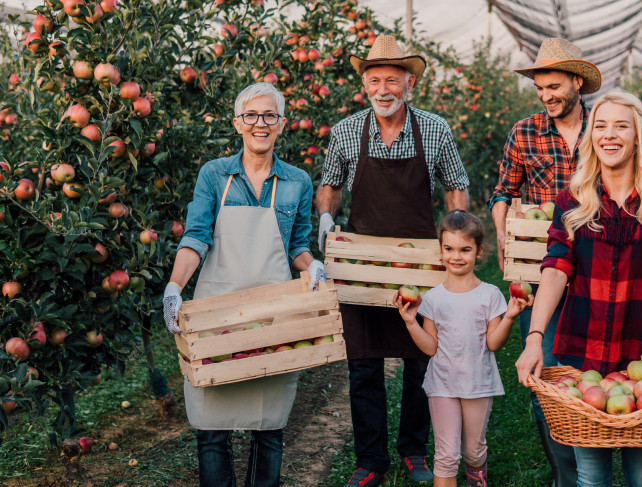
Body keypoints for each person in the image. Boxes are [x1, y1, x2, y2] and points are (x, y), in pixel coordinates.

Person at [515, 90, 642, 487]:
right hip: (584, 355)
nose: (609, 134)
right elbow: (555, 269)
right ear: (590, 137)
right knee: (592, 477)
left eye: (621, 125)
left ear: (637, 137)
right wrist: (534, 338)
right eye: (600, 125)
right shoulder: (574, 201)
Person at [316, 35, 470, 487]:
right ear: (365, 85)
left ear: (409, 84)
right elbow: (331, 183)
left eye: (392, 80)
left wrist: (455, 230)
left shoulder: (435, 129)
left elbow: (455, 183)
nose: (383, 89)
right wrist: (327, 219)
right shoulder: (346, 131)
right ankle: (370, 461)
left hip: (418, 264)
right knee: (363, 363)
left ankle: (413, 450)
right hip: (361, 265)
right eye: (374, 80)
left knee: (421, 361)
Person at [161, 82, 325, 487]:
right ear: (238, 123)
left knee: (268, 425)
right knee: (212, 425)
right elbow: (196, 237)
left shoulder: (297, 182)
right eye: (251, 115)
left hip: (272, 315)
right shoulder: (215, 175)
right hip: (218, 312)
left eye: (269, 115)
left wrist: (313, 266)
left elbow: (297, 245)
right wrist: (174, 286)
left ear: (282, 124)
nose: (260, 123)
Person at [488, 37, 602, 487]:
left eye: (554, 86)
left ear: (577, 81)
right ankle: (565, 477)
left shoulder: (606, 127)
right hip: (541, 271)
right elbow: (504, 191)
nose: (547, 96)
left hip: (599, 271)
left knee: (596, 372)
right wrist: (502, 229)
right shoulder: (525, 132)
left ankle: (595, 464)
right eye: (540, 88)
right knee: (544, 371)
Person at [394, 210, 532, 487]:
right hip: (442, 383)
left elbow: (494, 343)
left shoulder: (490, 295)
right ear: (441, 250)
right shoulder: (432, 298)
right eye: (449, 249)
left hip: (478, 384)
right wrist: (411, 323)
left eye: (465, 249)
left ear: (479, 251)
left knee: (473, 450)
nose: (456, 256)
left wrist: (509, 317)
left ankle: (476, 472)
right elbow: (431, 347)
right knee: (445, 455)